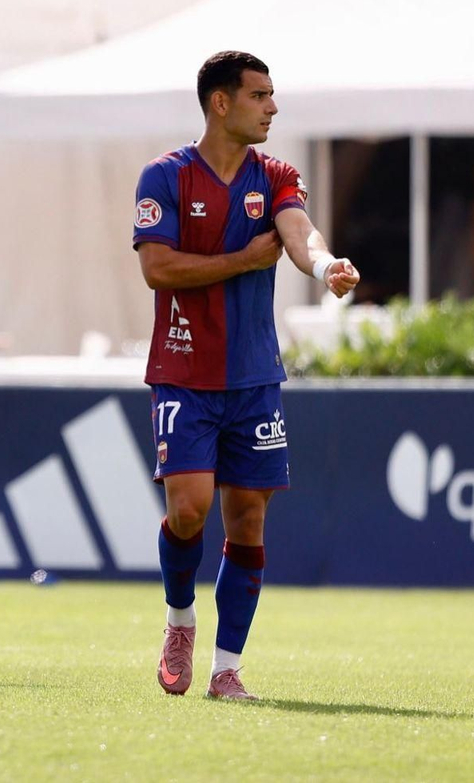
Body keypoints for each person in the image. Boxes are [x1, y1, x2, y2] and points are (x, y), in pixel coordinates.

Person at [137, 51, 359, 701]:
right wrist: (239, 261)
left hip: (254, 377)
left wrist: (325, 267)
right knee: (189, 509)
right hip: (182, 372)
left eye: (272, 94)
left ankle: (226, 670)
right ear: (220, 103)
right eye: (260, 95)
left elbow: (300, 235)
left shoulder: (277, 175)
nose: (273, 106)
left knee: (248, 521)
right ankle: (181, 622)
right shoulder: (166, 176)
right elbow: (158, 269)